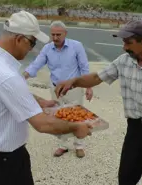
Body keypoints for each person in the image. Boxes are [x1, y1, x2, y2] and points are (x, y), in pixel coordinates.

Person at [54, 20, 142, 185]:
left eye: (128, 43)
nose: (124, 47)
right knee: (126, 177)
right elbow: (97, 77)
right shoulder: (123, 62)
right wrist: (73, 81)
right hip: (135, 129)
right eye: (123, 42)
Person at [0, 10, 92, 185]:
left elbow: (9, 94)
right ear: (19, 39)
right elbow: (42, 124)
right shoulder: (6, 75)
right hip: (6, 159)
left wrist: (41, 102)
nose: (33, 49)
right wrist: (76, 126)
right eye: (32, 42)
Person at [23, 20, 93, 158]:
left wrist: (88, 86)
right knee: (59, 116)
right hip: (55, 89)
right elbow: (36, 64)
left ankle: (79, 145)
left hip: (74, 88)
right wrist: (24, 75)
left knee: (77, 117)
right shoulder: (47, 48)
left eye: (58, 35)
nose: (55, 38)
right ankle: (63, 145)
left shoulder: (76, 46)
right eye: (53, 35)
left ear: (65, 33)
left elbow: (84, 67)